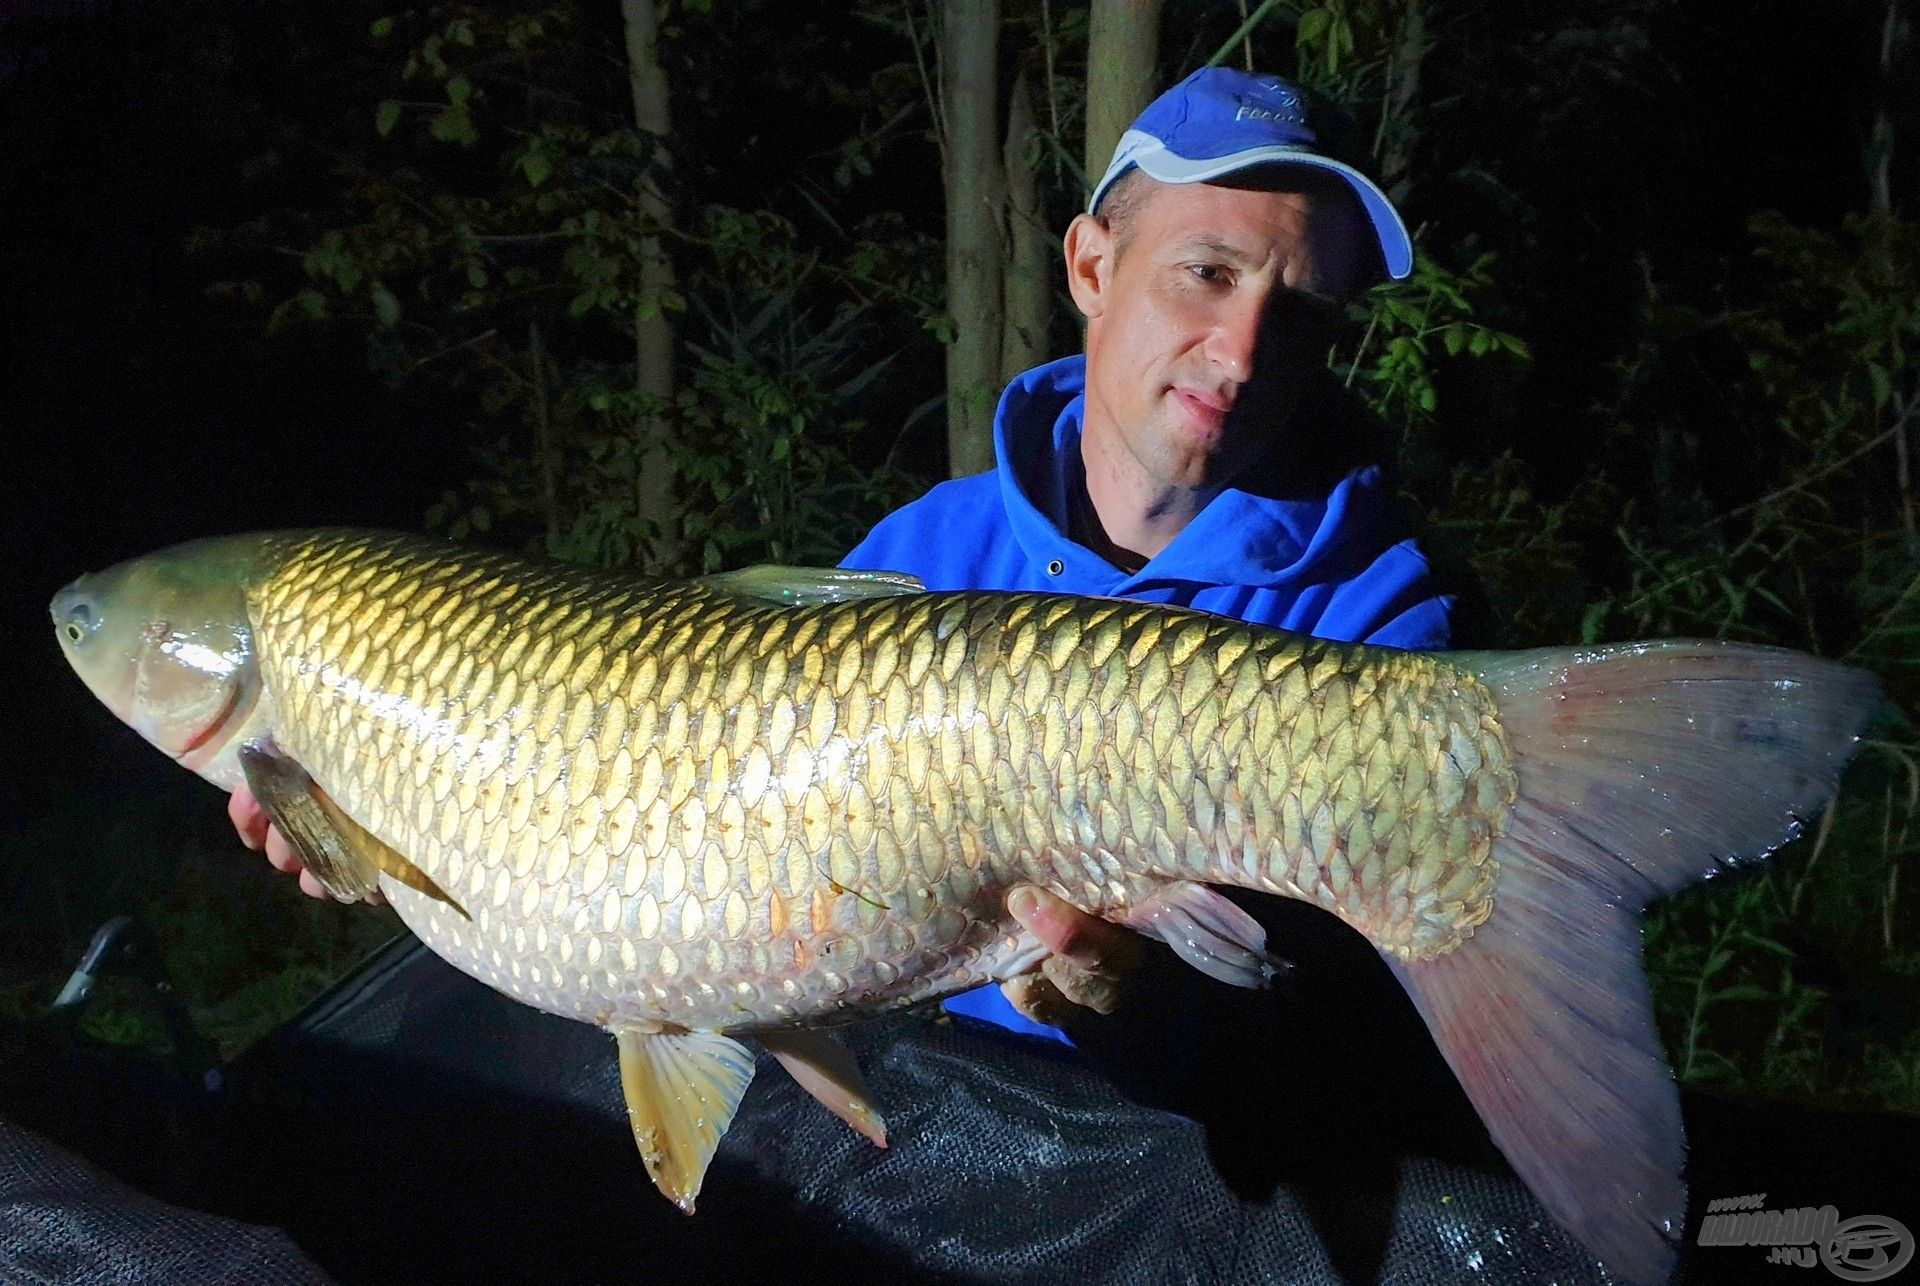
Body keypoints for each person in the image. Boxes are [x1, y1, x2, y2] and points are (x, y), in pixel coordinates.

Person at [229, 66, 1449, 1048]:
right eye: (1208, 273)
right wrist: (381, 823)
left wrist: (1170, 1014)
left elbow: (1382, 1032)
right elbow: (687, 872)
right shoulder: (923, 552)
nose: (1241, 352)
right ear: (1091, 264)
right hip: (923, 1133)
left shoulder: (1383, 616)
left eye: (1296, 310)